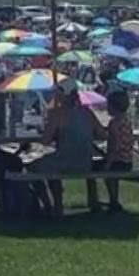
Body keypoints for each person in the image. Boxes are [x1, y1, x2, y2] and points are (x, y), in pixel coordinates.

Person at [30, 79, 97, 215]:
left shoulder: (57, 114)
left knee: (32, 166)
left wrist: (48, 126)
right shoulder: (87, 113)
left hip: (66, 161)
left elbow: (45, 141)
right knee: (51, 163)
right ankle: (58, 204)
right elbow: (102, 133)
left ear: (63, 94)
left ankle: (50, 204)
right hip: (86, 162)